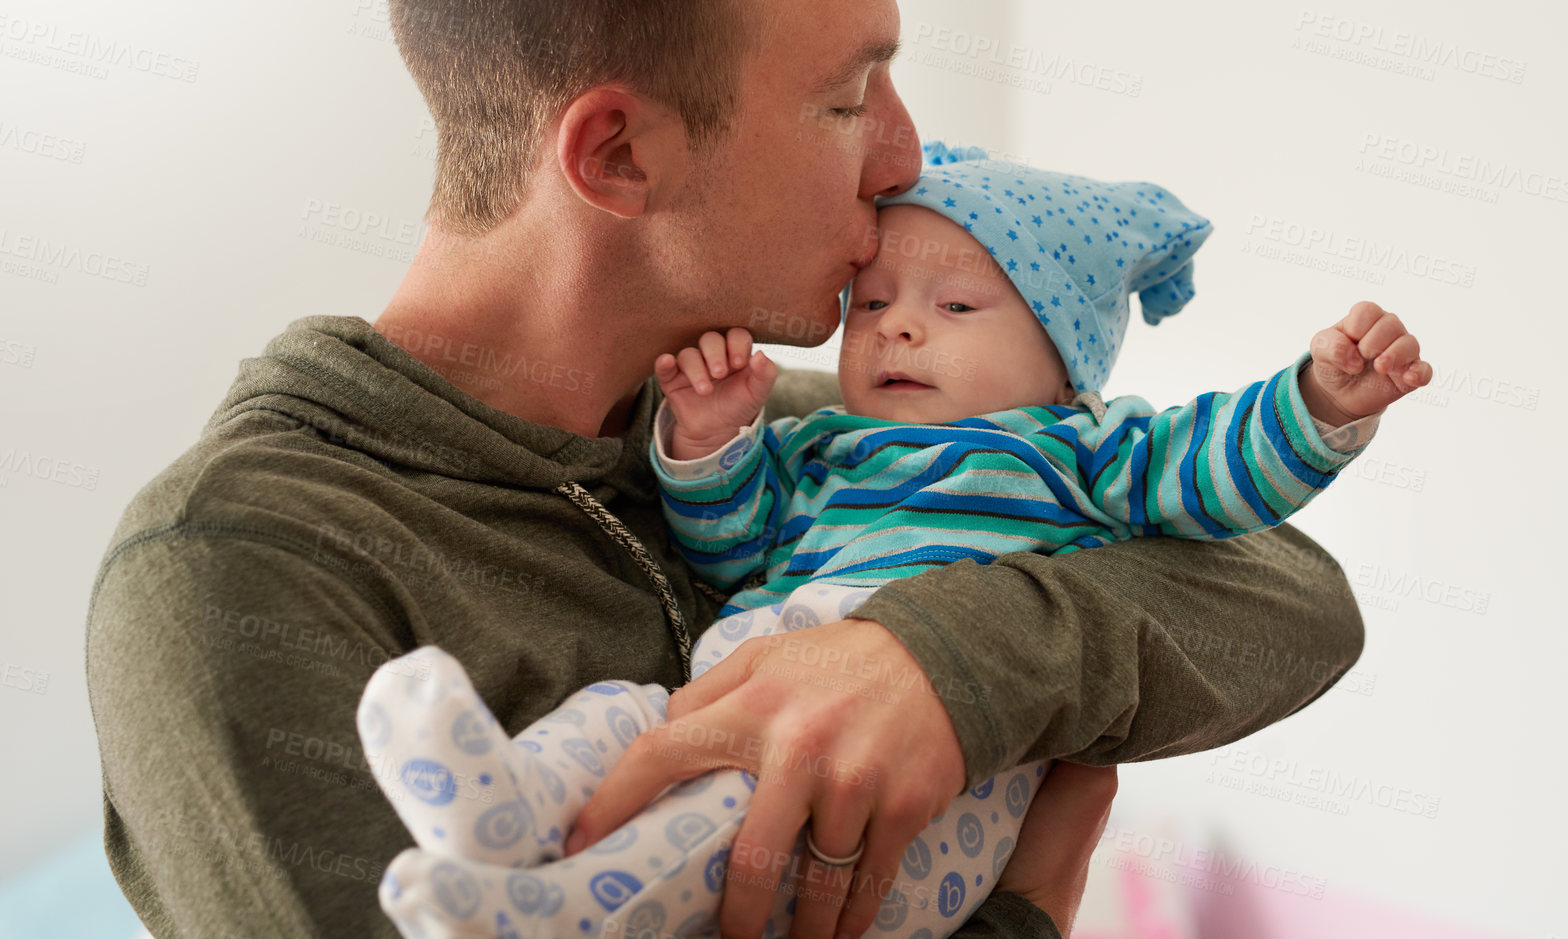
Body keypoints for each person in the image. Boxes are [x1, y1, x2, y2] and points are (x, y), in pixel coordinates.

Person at [82, 0, 1367, 938]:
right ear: (619, 157)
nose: (910, 161)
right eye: (848, 98)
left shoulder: (775, 424)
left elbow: (1293, 597)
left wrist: (939, 660)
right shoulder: (238, 573)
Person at [356, 148, 1422, 938]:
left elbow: (1217, 469)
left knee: (731, 824)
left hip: (926, 807)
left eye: (955, 303)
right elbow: (733, 543)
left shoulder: (1081, 450)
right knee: (627, 724)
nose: (897, 328)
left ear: (1064, 364)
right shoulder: (822, 442)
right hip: (732, 701)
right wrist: (714, 440)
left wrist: (1322, 400)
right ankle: (503, 808)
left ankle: (541, 917)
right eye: (873, 304)